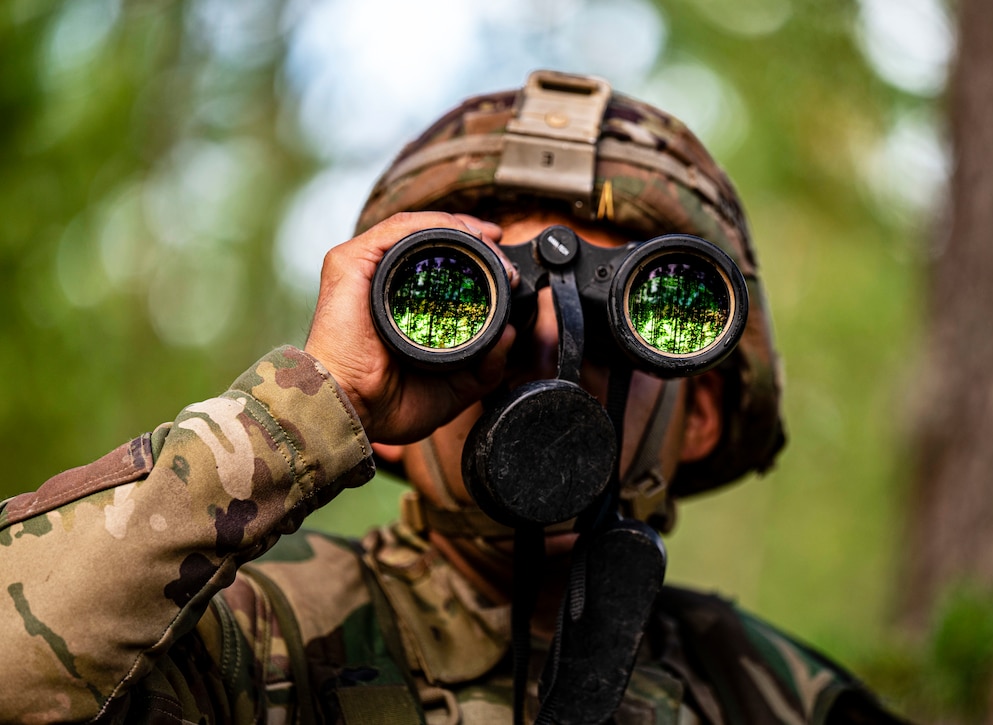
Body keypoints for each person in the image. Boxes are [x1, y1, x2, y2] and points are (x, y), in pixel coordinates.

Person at [0, 70, 905, 724]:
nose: (554, 343)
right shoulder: (254, 645)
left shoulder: (770, 694)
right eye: (466, 307)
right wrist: (308, 413)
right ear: (383, 427)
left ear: (699, 417)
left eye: (642, 312)